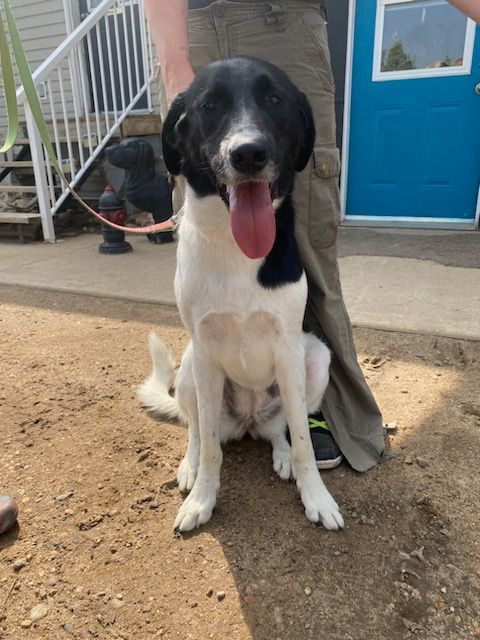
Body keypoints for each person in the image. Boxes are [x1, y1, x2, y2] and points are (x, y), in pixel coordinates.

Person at [142, 0, 477, 472]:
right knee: (207, 228)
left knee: (309, 247)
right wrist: (174, 63)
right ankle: (202, 438)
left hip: (284, 19)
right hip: (186, 24)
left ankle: (319, 417)